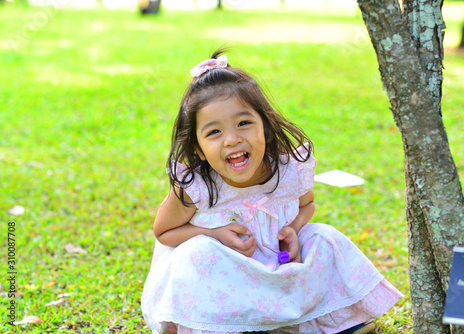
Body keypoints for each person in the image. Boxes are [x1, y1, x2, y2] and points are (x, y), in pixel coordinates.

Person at [141, 49, 403, 334]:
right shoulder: (197, 185)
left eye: (243, 123)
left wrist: (293, 227)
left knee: (323, 237)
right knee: (197, 253)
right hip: (226, 284)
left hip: (279, 268)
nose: (232, 139)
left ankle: (335, 321)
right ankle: (224, 328)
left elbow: (308, 205)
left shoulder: (286, 170)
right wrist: (213, 234)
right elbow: (164, 233)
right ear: (198, 150)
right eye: (213, 132)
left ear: (264, 128)